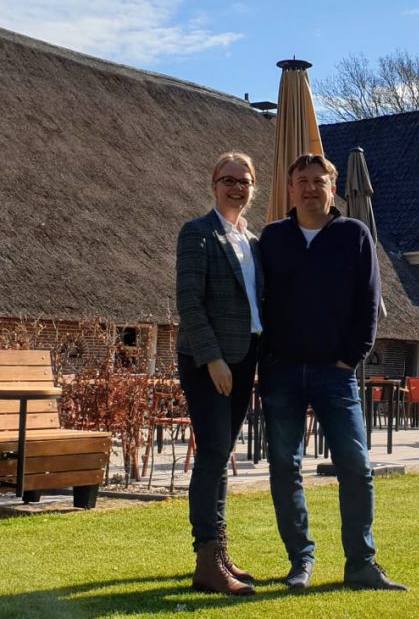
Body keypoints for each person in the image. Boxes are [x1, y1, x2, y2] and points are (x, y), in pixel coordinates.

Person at [259, 153, 406, 592]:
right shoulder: (272, 239)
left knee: (356, 465)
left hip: (334, 374)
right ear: (289, 189)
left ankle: (360, 563)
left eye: (318, 181)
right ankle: (299, 561)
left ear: (332, 187)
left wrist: (350, 358)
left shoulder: (354, 236)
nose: (309, 188)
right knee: (284, 466)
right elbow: (257, 301)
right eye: (301, 181)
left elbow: (369, 304)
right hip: (282, 371)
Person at [175, 151, 262, 596]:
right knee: (212, 453)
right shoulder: (198, 234)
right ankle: (207, 561)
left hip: (245, 359)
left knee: (221, 455)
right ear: (214, 184)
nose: (236, 187)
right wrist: (212, 360)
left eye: (244, 181)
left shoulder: (254, 242)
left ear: (253, 188)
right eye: (228, 179)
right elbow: (189, 303)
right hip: (208, 362)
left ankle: (220, 551)